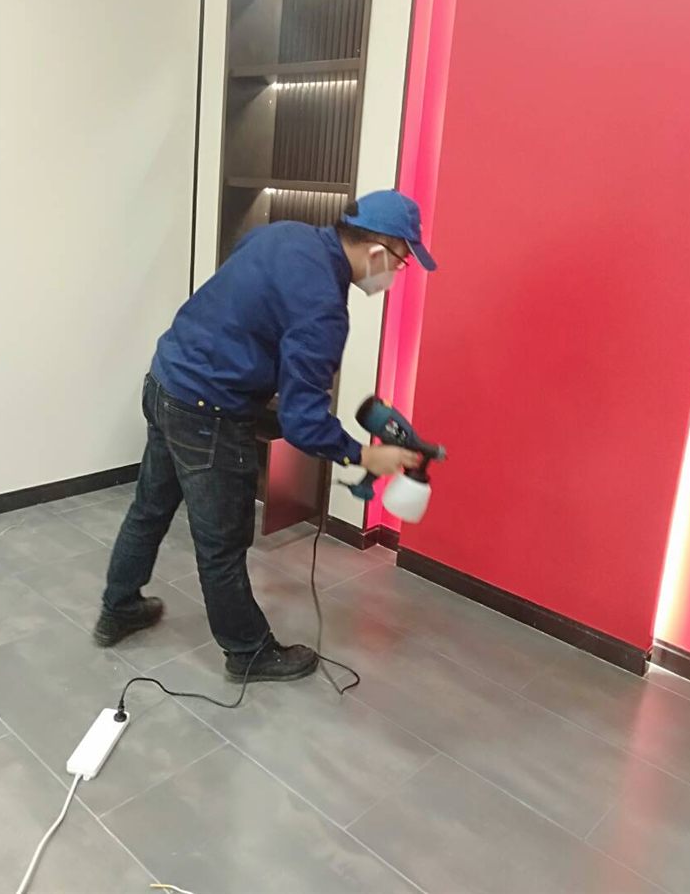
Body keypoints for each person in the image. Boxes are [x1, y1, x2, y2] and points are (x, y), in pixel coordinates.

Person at [94, 189, 437, 682]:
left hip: (166, 379)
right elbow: (302, 422)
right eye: (401, 262)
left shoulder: (284, 234)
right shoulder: (323, 307)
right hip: (208, 412)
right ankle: (248, 653)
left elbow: (246, 304)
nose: (395, 275)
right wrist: (362, 455)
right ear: (378, 251)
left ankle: (119, 608)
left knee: (149, 509)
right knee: (221, 544)